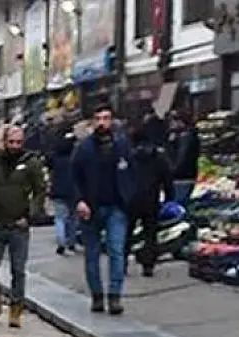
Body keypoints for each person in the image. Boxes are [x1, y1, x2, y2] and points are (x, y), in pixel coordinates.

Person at [71, 103, 138, 315]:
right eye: (98, 118)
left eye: (106, 118)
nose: (102, 123)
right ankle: (97, 296)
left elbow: (132, 172)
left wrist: (128, 198)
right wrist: (79, 200)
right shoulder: (83, 148)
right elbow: (73, 177)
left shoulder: (122, 145)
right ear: (92, 122)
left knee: (116, 251)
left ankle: (115, 296)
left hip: (116, 207)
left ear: (112, 121)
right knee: (91, 254)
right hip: (91, 208)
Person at [0, 125, 47, 328]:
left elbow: (40, 191)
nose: (15, 146)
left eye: (19, 142)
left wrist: (31, 215)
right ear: (4, 141)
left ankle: (16, 307)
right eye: (12, 142)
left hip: (19, 224)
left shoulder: (31, 163)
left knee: (18, 269)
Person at [128, 127, 172, 279]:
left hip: (131, 199)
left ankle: (121, 264)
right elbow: (167, 177)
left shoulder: (129, 156)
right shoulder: (158, 156)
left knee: (127, 232)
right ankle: (148, 265)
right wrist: (168, 197)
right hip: (151, 199)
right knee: (150, 234)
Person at [49, 127, 79, 255]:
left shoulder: (56, 159)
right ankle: (71, 242)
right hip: (72, 190)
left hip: (58, 190)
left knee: (60, 218)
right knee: (72, 218)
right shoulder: (76, 159)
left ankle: (61, 241)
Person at [169, 111, 201, 203]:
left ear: (180, 122)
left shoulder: (186, 138)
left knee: (179, 203)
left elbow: (181, 158)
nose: (171, 124)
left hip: (182, 177)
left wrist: (172, 171)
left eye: (173, 120)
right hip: (187, 176)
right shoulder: (187, 136)